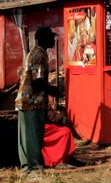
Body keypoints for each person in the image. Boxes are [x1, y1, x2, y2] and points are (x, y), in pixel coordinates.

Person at [14, 27, 73, 170]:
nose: (53, 40)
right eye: (51, 37)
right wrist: (53, 90)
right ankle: (33, 167)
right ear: (44, 39)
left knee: (26, 136)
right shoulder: (38, 56)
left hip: (26, 100)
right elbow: (37, 81)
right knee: (34, 135)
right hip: (32, 101)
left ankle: (27, 166)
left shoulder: (35, 54)